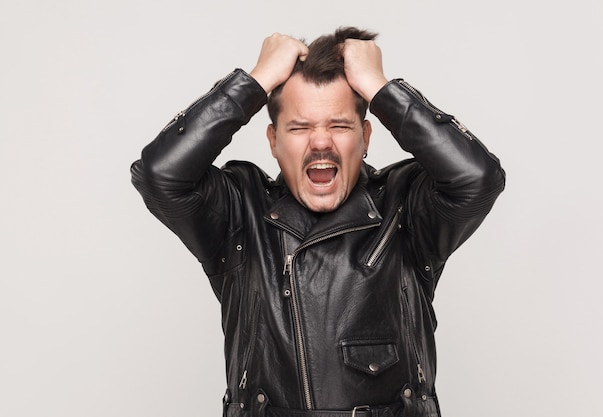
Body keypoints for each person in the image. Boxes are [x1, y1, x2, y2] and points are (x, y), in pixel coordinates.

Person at [131, 27, 505, 417]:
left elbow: (477, 179)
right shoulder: (239, 213)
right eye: (300, 127)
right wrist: (253, 82)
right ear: (273, 141)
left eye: (339, 126)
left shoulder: (406, 207)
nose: (321, 142)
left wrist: (378, 87)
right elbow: (160, 175)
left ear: (365, 136)